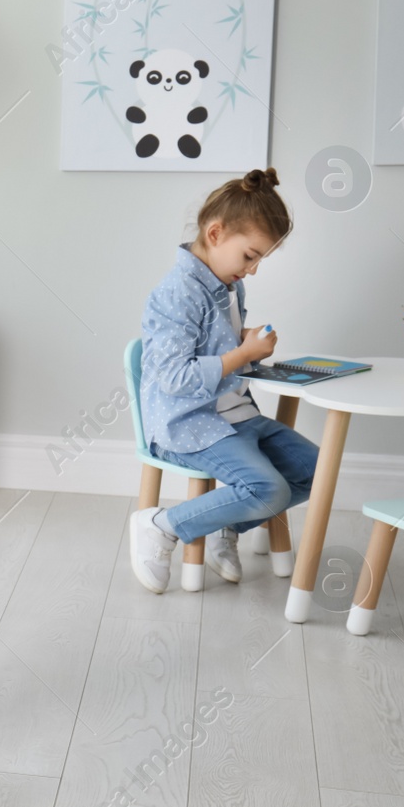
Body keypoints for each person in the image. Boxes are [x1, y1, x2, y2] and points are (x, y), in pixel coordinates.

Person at [131, 168, 318, 593]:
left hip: (237, 415)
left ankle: (224, 526)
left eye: (259, 261)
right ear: (215, 234)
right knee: (267, 488)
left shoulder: (230, 287)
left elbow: (215, 349)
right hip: (189, 422)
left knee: (316, 471)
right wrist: (241, 354)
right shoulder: (177, 292)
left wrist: (244, 343)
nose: (251, 270)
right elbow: (174, 376)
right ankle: (161, 525)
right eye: (249, 256)